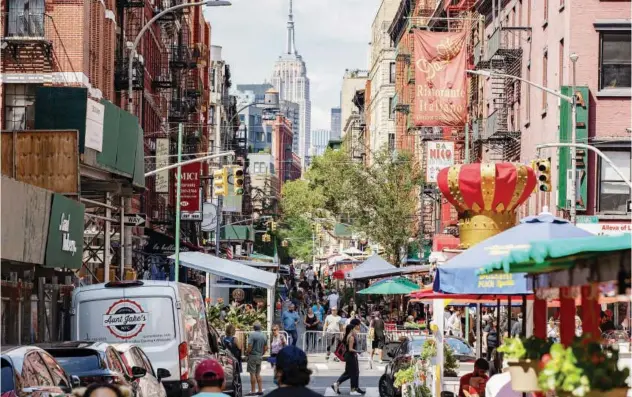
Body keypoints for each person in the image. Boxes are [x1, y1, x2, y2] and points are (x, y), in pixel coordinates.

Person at [331, 319, 366, 396]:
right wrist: (358, 351)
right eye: (357, 325)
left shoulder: (350, 335)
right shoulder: (351, 337)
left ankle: (351, 387)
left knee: (350, 372)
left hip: (350, 356)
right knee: (353, 372)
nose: (358, 326)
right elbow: (350, 349)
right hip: (351, 356)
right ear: (353, 328)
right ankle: (353, 389)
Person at [246, 322, 267, 396]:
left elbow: (250, 346)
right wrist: (262, 354)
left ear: (254, 327)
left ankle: (253, 390)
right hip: (259, 356)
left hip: (253, 356)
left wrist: (247, 353)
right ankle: (260, 390)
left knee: (252, 374)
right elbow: (265, 347)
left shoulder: (252, 335)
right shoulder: (264, 335)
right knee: (258, 374)